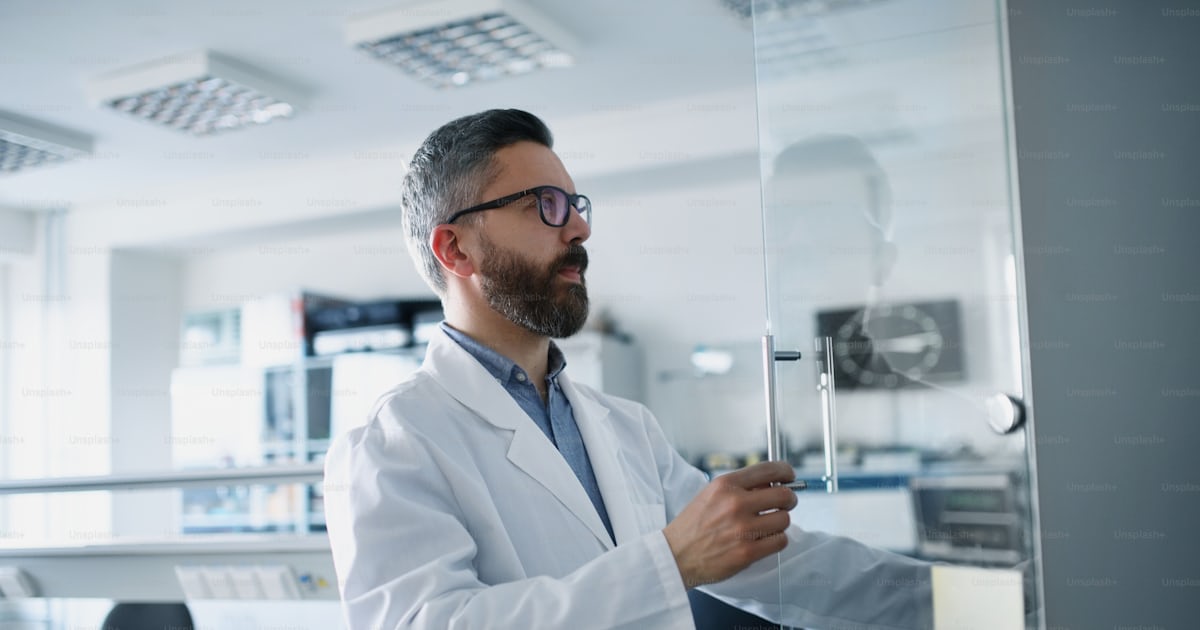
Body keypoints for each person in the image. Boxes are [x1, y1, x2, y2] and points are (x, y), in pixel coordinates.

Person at [323, 109, 933, 629]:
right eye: (546, 206)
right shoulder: (390, 443)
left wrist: (970, 602)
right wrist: (671, 563)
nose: (581, 228)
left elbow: (782, 564)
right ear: (455, 248)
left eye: (576, 205)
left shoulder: (625, 428)